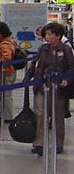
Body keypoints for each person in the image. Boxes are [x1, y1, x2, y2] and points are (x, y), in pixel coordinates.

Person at [25, 22, 74, 155]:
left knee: (57, 116)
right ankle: (39, 143)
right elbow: (34, 64)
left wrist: (67, 80)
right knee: (40, 114)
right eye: (46, 34)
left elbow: (72, 68)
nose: (47, 37)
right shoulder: (43, 48)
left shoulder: (66, 49)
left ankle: (58, 143)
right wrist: (27, 77)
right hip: (41, 86)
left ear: (58, 36)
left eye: (49, 34)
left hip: (58, 88)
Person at [0, 22, 17, 123]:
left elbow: (7, 57)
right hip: (8, 71)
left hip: (6, 72)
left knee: (6, 96)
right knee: (5, 95)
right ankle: (5, 115)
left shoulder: (5, 44)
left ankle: (8, 117)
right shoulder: (9, 41)